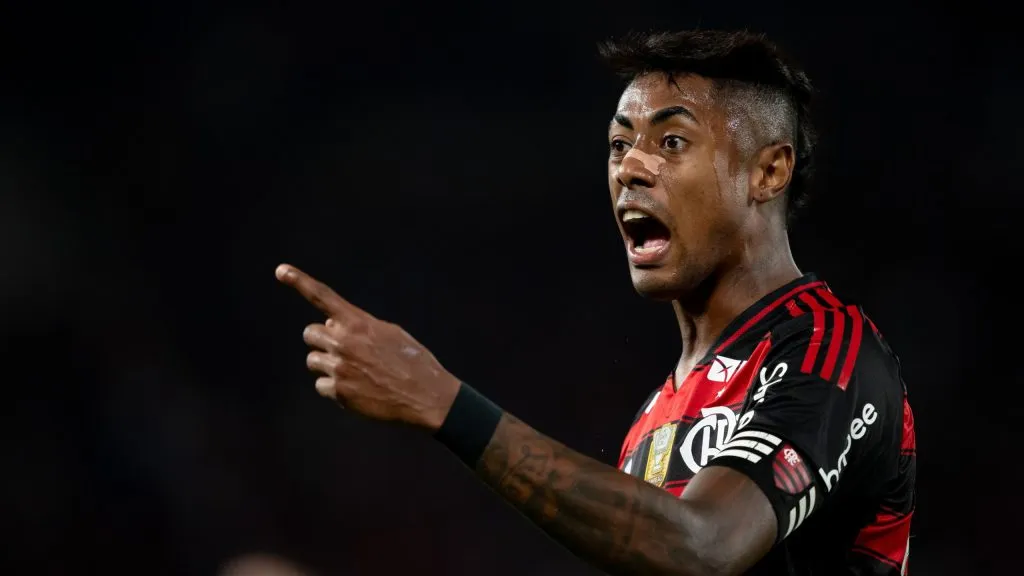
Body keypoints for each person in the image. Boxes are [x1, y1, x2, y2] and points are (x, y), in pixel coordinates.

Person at [276, 29, 916, 576]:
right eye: (619, 144)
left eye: (670, 143)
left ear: (768, 171)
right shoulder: (654, 419)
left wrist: (445, 403)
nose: (630, 168)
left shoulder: (829, 351)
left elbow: (707, 547)